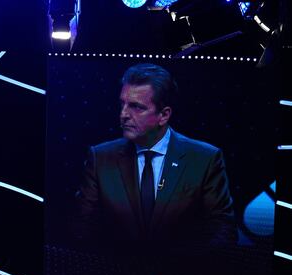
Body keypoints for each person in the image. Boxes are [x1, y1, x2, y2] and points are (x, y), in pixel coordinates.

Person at [74, 63, 236, 248]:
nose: (123, 114)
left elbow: (222, 230)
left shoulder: (204, 159)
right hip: (115, 271)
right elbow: (82, 228)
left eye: (136, 107)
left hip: (183, 272)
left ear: (164, 115)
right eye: (122, 104)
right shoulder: (100, 158)